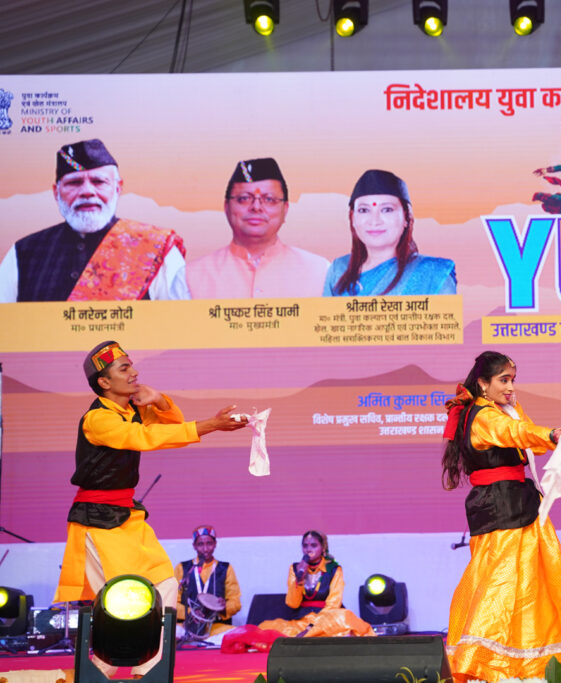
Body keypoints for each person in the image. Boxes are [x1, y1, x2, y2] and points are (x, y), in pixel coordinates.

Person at [53, 340, 248, 677]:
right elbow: (146, 438)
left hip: (128, 516)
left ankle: (147, 669)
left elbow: (171, 426)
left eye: (131, 365)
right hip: (98, 520)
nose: (134, 372)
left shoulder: (129, 410)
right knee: (116, 599)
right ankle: (101, 669)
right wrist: (212, 424)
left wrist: (159, 400)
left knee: (164, 585)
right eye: (124, 368)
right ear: (104, 381)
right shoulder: (98, 420)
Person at [441, 351, 561, 682]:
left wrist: (548, 437)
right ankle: (481, 663)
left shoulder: (501, 411)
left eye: (513, 380)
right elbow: (517, 433)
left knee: (537, 584)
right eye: (503, 380)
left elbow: (527, 438)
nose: (510, 387)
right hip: (503, 510)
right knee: (500, 586)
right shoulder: (485, 417)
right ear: (483, 384)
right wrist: (551, 436)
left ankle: (530, 664)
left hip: (517, 505)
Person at [0, 139, 189, 302]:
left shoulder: (155, 247)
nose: (87, 191)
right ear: (56, 193)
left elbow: (179, 322)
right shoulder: (23, 252)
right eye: (74, 182)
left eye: (99, 182)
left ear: (118, 189)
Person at [187, 158, 329, 299]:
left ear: (285, 209)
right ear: (226, 207)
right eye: (244, 198)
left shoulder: (320, 271)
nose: (256, 207)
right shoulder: (190, 276)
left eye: (269, 199)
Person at [324, 169, 456, 296]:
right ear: (352, 218)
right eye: (364, 210)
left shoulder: (433, 274)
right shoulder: (339, 270)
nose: (374, 221)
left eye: (387, 210)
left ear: (406, 218)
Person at [257, 530, 375, 638]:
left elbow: (333, 605)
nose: (308, 549)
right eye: (305, 546)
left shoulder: (334, 569)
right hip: (302, 620)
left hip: (327, 620)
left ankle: (311, 635)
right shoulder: (295, 568)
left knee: (345, 617)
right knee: (265, 626)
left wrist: (311, 628)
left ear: (323, 548)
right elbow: (292, 603)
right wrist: (299, 580)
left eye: (313, 545)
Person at [175, 525, 242, 640]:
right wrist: (191, 612)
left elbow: (236, 602)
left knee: (237, 634)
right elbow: (172, 602)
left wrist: (224, 607)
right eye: (200, 544)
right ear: (194, 546)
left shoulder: (225, 568)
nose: (205, 549)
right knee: (169, 633)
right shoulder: (183, 568)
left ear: (215, 544)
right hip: (187, 626)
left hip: (216, 627)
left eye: (209, 543)